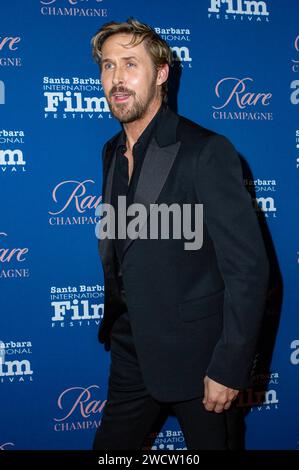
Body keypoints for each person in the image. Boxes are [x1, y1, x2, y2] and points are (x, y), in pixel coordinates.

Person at [91, 18, 269, 450]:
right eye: (108, 66)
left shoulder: (206, 151)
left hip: (200, 360)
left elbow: (248, 269)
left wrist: (229, 367)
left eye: (131, 64)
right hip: (132, 349)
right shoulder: (112, 152)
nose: (117, 79)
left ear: (162, 74)